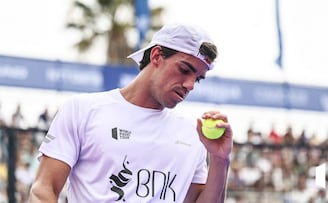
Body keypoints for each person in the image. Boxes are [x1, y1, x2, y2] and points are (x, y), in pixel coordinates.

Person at [29, 23, 233, 203]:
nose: (190, 85)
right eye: (184, 69)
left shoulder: (193, 133)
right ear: (156, 56)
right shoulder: (82, 109)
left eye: (198, 78)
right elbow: (43, 190)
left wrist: (220, 159)